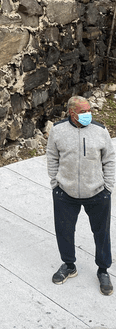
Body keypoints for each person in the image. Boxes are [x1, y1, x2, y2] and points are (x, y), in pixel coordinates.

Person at [46, 95, 115, 295]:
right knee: (64, 231)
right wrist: (55, 184)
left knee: (101, 234)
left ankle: (103, 270)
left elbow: (109, 160)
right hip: (65, 193)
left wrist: (108, 186)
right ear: (71, 113)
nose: (88, 115)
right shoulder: (58, 131)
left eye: (89, 110)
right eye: (83, 112)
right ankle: (69, 266)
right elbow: (51, 156)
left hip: (97, 193)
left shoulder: (100, 131)